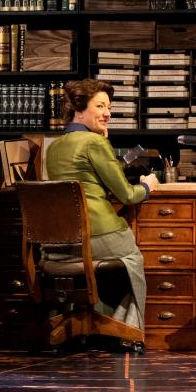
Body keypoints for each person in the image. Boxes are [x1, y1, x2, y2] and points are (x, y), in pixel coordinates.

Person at [45, 79, 158, 347]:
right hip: (97, 235)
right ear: (79, 109)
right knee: (133, 258)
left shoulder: (55, 147)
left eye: (109, 106)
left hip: (60, 244)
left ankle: (100, 324)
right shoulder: (94, 144)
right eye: (100, 106)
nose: (108, 113)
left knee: (112, 266)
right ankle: (128, 333)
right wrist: (147, 186)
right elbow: (127, 195)